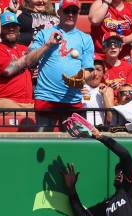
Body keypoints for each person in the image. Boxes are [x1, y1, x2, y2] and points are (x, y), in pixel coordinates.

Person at [29, 0, 94, 130]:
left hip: (72, 99)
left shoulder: (85, 38)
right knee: (42, 142)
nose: (70, 14)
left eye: (74, 12)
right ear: (59, 12)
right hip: (46, 97)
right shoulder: (45, 33)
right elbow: (30, 59)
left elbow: (89, 70)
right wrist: (48, 45)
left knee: (76, 144)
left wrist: (79, 79)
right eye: (67, 11)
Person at [0, 12, 60, 108]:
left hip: (28, 103)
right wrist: (47, 45)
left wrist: (35, 73)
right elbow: (8, 70)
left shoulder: (24, 48)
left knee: (47, 114)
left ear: (19, 30)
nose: (11, 29)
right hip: (2, 100)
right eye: (7, 26)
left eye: (14, 26)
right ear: (1, 30)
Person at [81, 59, 112, 126]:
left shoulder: (108, 90)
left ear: (103, 73)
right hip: (80, 129)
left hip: (99, 129)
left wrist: (104, 95)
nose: (95, 73)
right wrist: (78, 95)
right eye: (91, 70)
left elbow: (110, 118)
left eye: (98, 70)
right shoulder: (78, 88)